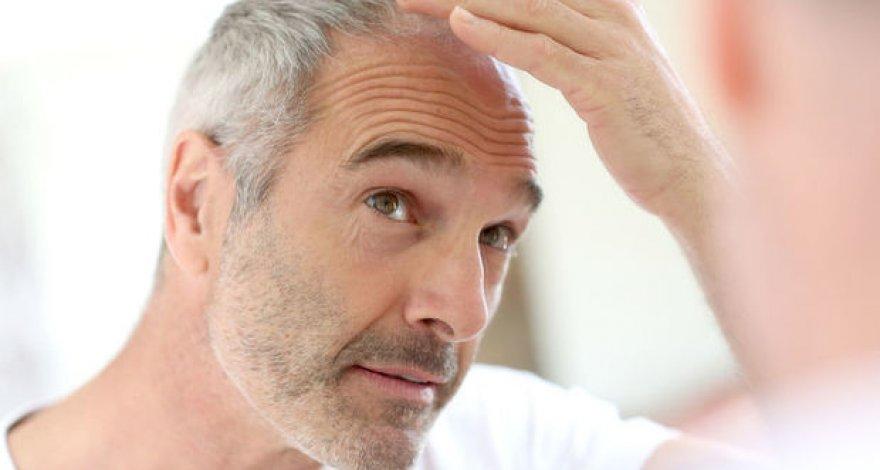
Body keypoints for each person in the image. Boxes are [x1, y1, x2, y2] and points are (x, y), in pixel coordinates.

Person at [2, 1, 752, 469]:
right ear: (197, 203)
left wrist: (695, 184)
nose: (466, 312)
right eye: (391, 202)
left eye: (496, 233)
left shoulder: (515, 441)